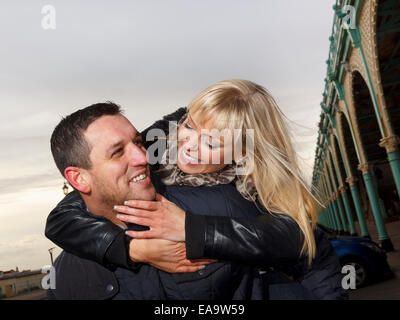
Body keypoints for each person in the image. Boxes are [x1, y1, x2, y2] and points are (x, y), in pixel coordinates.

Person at [46, 80, 347, 299]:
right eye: (189, 126)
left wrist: (195, 229)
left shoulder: (253, 197)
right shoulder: (157, 142)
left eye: (212, 144)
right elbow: (68, 212)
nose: (188, 146)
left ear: (241, 154)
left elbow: (301, 245)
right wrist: (133, 250)